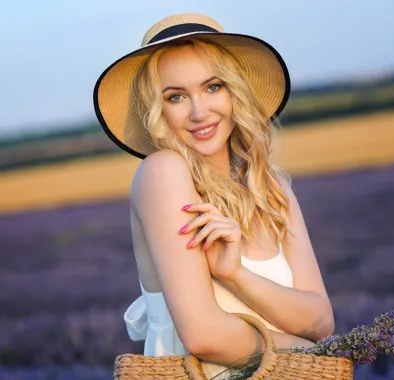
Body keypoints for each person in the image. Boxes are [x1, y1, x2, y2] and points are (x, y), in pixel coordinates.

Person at [93, 13, 334, 378]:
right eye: (176, 96)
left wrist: (235, 274)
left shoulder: (273, 188)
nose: (199, 111)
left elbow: (320, 321)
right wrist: (322, 357)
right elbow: (203, 336)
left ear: (234, 90)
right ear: (158, 111)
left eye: (213, 87)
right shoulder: (164, 173)